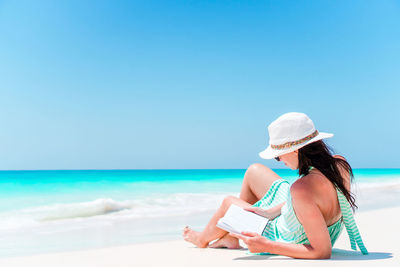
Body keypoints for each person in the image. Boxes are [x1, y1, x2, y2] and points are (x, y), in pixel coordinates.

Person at [183, 112, 368, 259]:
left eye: (278, 155)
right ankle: (231, 237)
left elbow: (321, 251)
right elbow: (315, 203)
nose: (279, 160)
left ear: (295, 149)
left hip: (292, 236)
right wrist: (270, 212)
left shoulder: (302, 190)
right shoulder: (340, 164)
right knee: (254, 171)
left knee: (228, 203)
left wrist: (265, 245)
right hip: (314, 224)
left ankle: (201, 239)